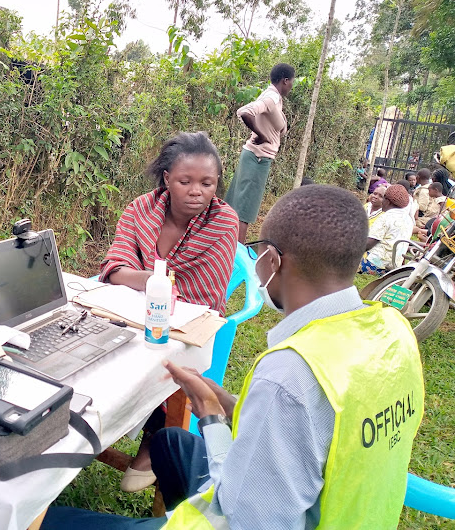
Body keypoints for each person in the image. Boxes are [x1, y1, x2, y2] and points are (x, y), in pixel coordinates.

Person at [42, 185, 424, 530]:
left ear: (272, 260)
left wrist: (211, 419)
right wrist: (222, 407)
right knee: (170, 443)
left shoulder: (290, 374)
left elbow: (247, 521)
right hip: (337, 508)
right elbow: (319, 431)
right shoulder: (393, 332)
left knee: (47, 521)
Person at [99, 131, 238, 492]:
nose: (197, 191)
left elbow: (206, 297)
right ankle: (95, 423)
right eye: (185, 181)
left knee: (162, 355)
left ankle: (154, 435)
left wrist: (149, 288)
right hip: (126, 312)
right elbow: (115, 265)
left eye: (208, 183)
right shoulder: (140, 209)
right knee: (95, 346)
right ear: (166, 179)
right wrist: (148, 280)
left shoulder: (223, 222)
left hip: (188, 323)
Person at [224, 63, 294, 243]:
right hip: (257, 158)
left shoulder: (275, 98)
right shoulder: (271, 98)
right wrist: (262, 135)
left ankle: (228, 249)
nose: (291, 86)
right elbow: (245, 112)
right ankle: (237, 255)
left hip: (255, 157)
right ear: (285, 81)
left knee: (237, 207)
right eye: (291, 82)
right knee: (244, 211)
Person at [359, 184, 415, 274]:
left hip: (373, 265)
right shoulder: (408, 220)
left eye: (383, 198)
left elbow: (368, 244)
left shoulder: (386, 217)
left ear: (388, 201)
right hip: (393, 268)